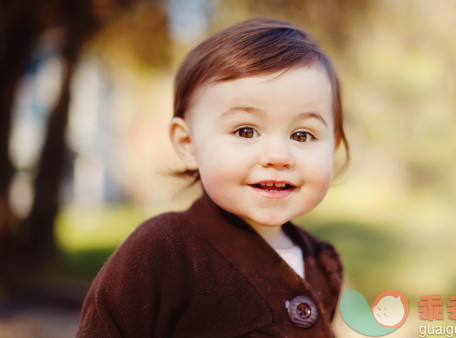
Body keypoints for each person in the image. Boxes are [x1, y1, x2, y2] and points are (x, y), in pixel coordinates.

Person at [76, 18, 348, 337]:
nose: (279, 156)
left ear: (334, 147)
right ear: (188, 144)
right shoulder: (163, 251)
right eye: (246, 131)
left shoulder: (320, 262)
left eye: (302, 135)